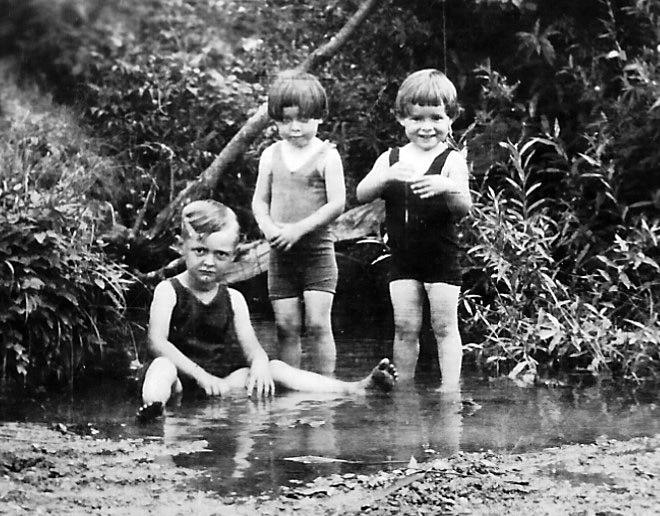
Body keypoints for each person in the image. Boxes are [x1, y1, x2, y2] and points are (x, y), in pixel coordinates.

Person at [137, 200, 396, 422]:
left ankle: (354, 389)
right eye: (200, 251)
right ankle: (154, 407)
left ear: (233, 256)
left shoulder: (234, 298)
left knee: (274, 367)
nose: (208, 262)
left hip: (222, 383)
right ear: (181, 246)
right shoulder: (168, 289)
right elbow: (156, 342)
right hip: (180, 382)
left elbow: (253, 350)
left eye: (220, 255)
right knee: (161, 367)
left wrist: (260, 365)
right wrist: (201, 376)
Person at [356, 69, 472, 392]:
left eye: (436, 117)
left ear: (451, 119)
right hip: (403, 259)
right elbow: (362, 193)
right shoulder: (392, 158)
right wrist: (387, 177)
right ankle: (403, 387)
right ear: (401, 119)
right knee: (405, 326)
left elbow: (465, 207)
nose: (426, 127)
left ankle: (450, 388)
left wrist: (445, 186)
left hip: (441, 258)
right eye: (417, 118)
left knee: (444, 326)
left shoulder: (451, 160)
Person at [251, 70, 345, 375]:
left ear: (319, 117)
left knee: (318, 324)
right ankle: (293, 388)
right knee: (286, 326)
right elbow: (259, 201)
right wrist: (268, 227)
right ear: (276, 120)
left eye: (303, 120)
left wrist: (298, 230)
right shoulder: (270, 154)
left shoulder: (326, 156)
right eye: (286, 120)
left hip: (317, 253)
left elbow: (337, 203)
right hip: (280, 255)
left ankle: (326, 387)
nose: (295, 128)